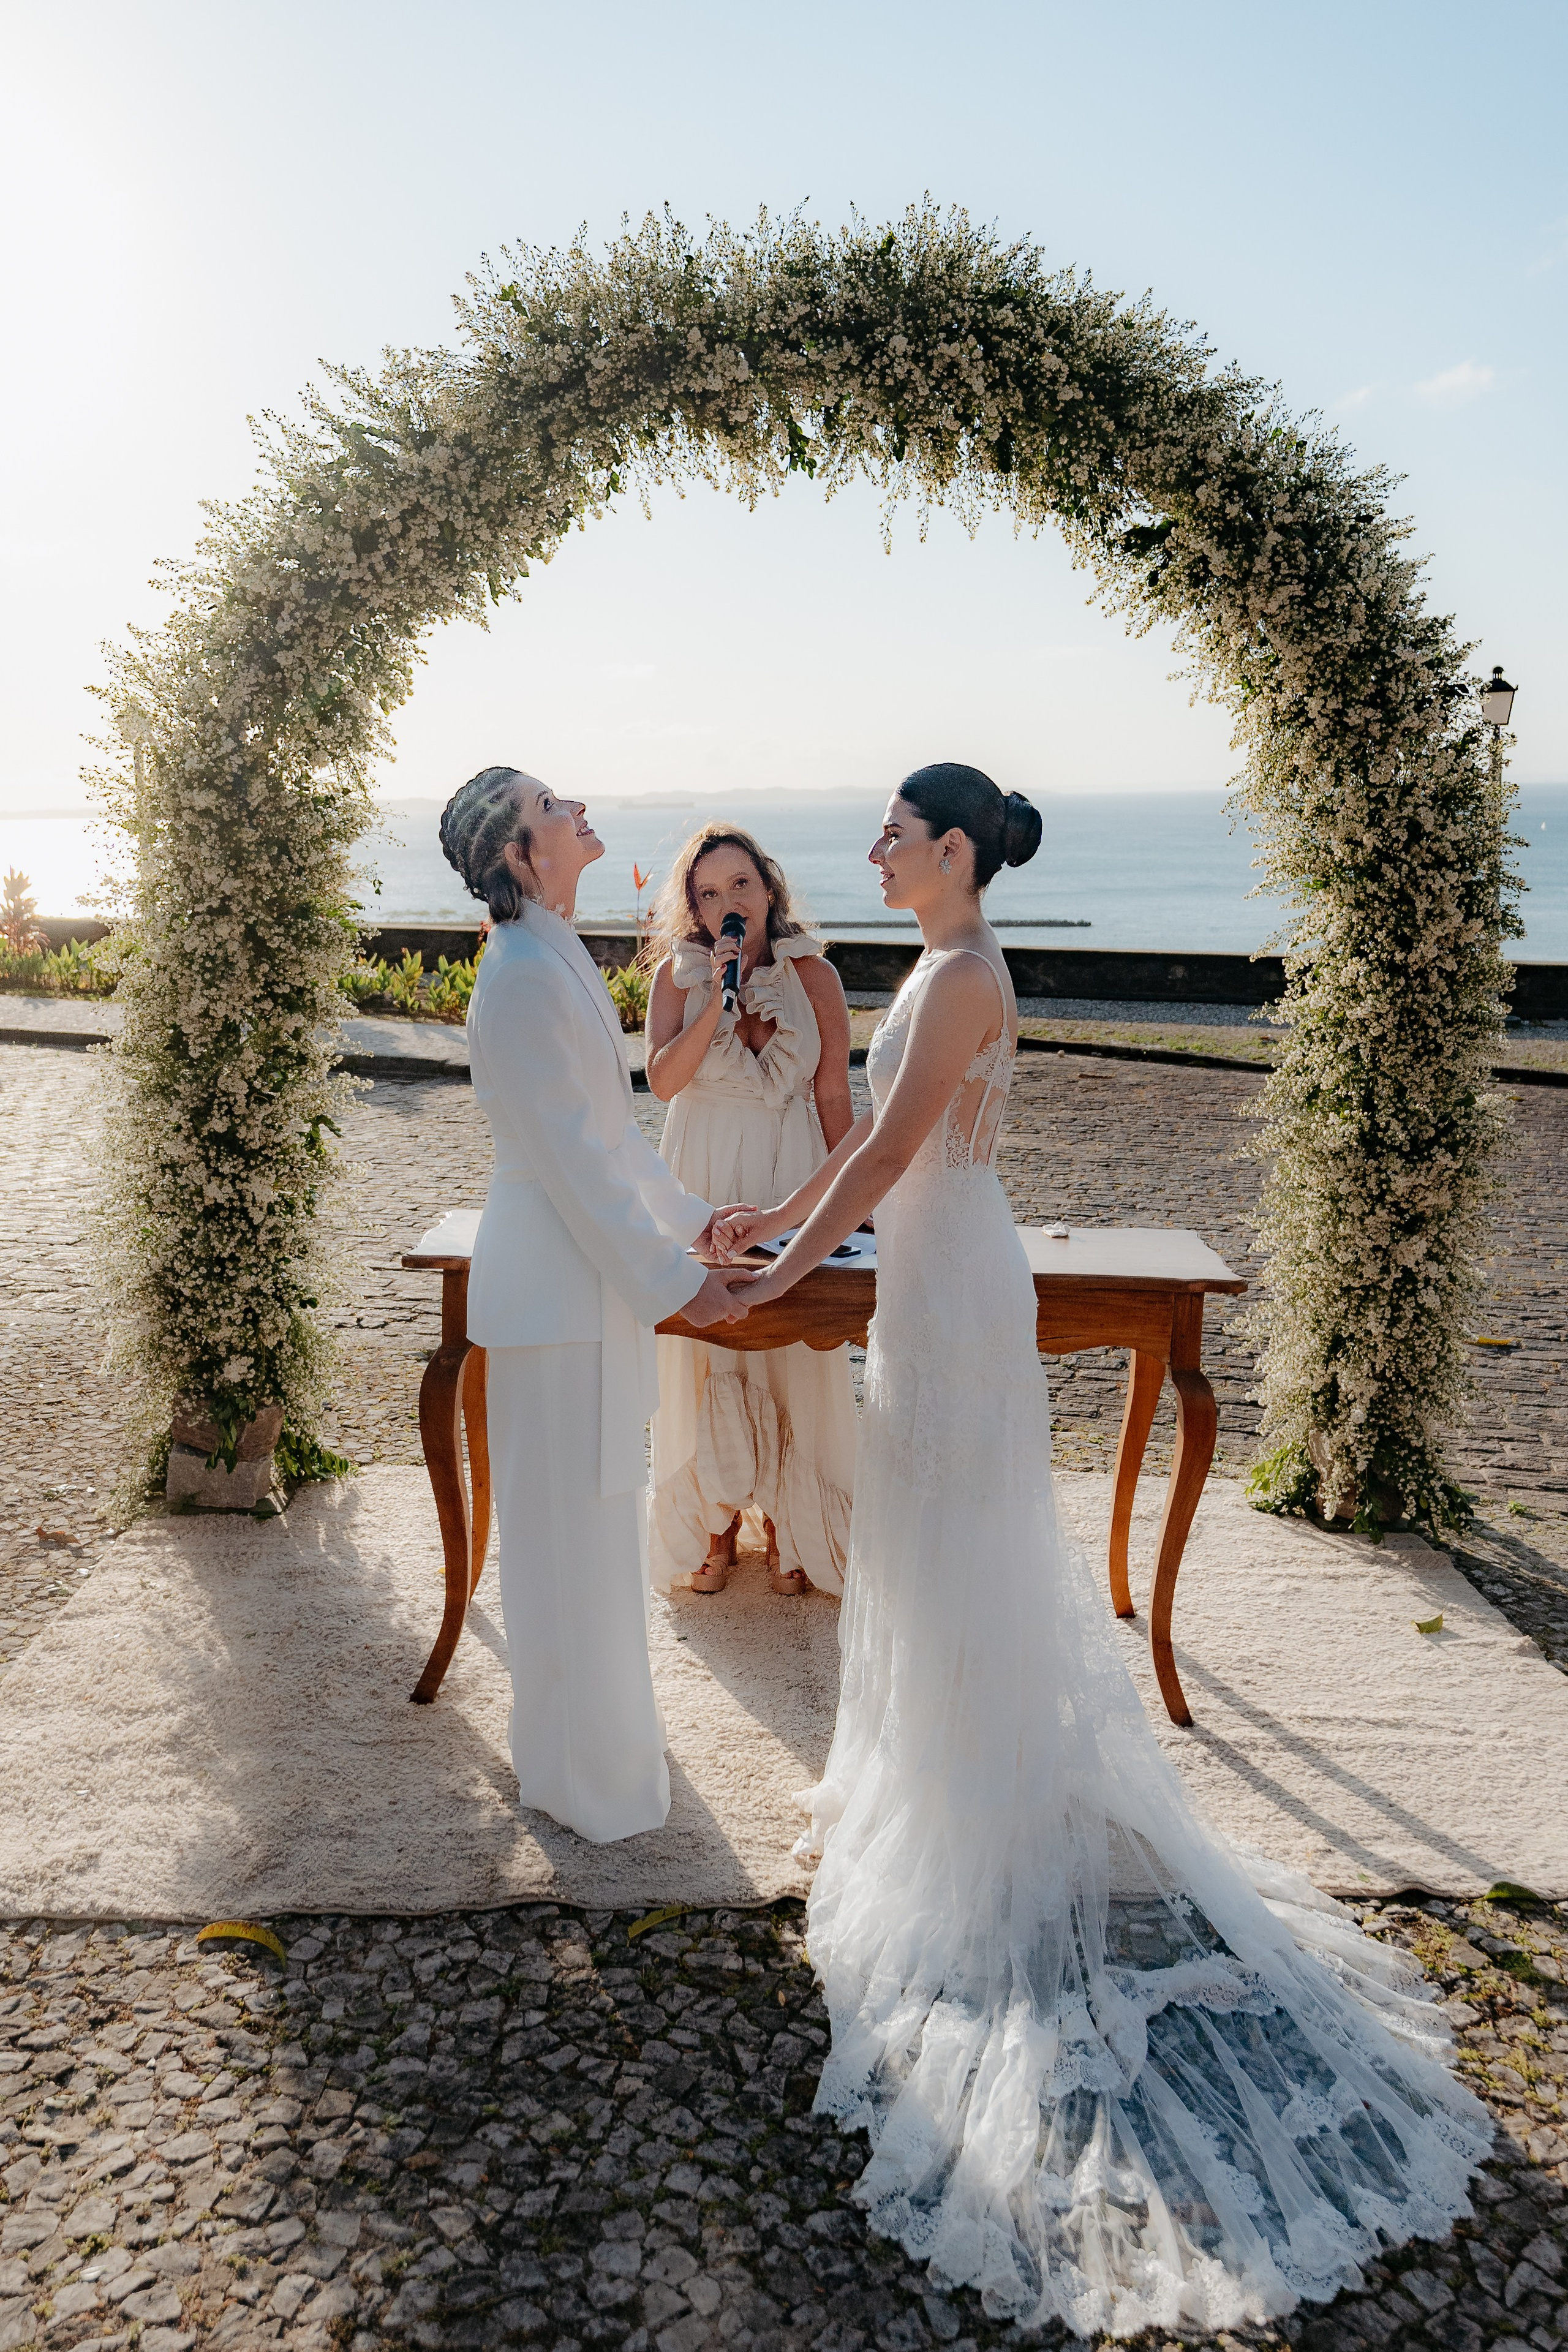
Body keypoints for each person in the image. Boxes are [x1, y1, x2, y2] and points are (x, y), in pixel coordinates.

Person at [713, 764, 1488, 2337]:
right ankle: (932, 1770)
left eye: (889, 829)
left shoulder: (961, 971)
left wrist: (774, 1267)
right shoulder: (940, 966)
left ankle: (975, 1819)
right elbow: (866, 1147)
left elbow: (881, 1164)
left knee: (957, 1548)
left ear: (950, 852)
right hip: (935, 1277)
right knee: (930, 1553)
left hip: (947, 1287)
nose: (866, 844)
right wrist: (766, 1224)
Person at [439, 767, 750, 1845]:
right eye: (550, 807)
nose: (574, 808)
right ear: (522, 855)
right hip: (552, 1296)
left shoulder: (552, 952)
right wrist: (682, 1287)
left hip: (580, 1288)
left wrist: (695, 1221)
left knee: (595, 1532)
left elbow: (614, 1142)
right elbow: (573, 1164)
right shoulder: (520, 976)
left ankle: (604, 1754)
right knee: (561, 1545)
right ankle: (585, 1781)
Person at [643, 823, 857, 1597]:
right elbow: (664, 1083)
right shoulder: (676, 977)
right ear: (693, 907)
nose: (727, 902)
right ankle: (714, 1523)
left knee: (793, 1342)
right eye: (707, 893)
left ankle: (794, 1522)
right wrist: (714, 998)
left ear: (768, 889)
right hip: (702, 1169)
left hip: (791, 1172)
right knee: (711, 1341)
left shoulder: (818, 980)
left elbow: (834, 1094)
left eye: (740, 885)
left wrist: (854, 1203)